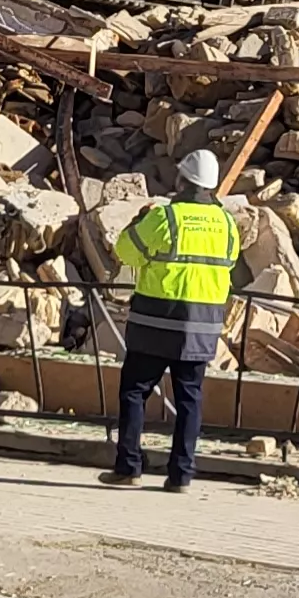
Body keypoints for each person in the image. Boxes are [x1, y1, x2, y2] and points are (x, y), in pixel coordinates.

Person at [101, 146, 242, 492]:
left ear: (182, 179)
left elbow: (125, 251)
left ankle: (129, 467)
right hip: (203, 326)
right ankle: (181, 475)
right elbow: (231, 262)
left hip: (156, 321)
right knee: (189, 399)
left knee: (134, 392)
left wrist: (139, 220)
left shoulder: (165, 218)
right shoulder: (227, 224)